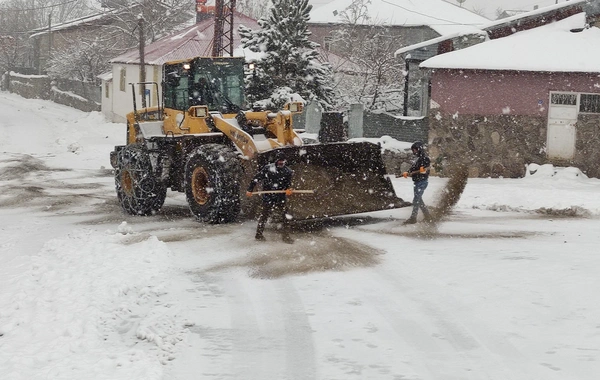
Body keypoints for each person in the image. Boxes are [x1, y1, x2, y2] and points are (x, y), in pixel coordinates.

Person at [246, 152, 294, 243]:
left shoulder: (288, 171)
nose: (281, 164)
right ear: (276, 161)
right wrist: (250, 189)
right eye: (279, 162)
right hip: (268, 196)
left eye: (282, 162)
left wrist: (288, 189)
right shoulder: (268, 169)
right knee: (264, 216)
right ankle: (258, 235)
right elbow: (256, 178)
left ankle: (286, 237)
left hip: (280, 197)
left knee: (286, 216)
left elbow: (288, 184)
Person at [402, 141, 432, 225]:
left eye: (415, 150)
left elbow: (426, 169)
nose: (414, 152)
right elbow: (413, 168)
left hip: (422, 182)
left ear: (419, 149)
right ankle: (428, 216)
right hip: (417, 182)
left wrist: (423, 171)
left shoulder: (425, 158)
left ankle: (413, 218)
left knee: (416, 200)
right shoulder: (418, 159)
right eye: (413, 150)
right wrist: (407, 172)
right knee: (419, 200)